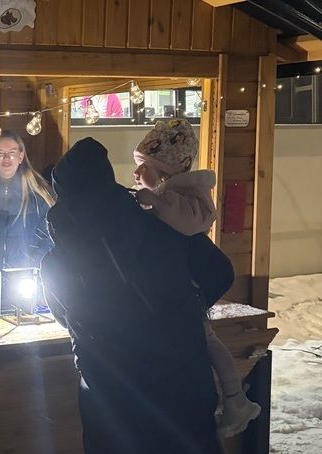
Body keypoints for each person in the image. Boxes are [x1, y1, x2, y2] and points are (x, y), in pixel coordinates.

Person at [41, 137, 229, 453]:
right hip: (183, 386)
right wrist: (184, 308)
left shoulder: (57, 261)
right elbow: (220, 273)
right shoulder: (164, 228)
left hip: (111, 398)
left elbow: (63, 316)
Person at [132, 119, 261, 438]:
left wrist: (153, 202)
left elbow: (186, 223)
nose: (136, 173)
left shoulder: (185, 198)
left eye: (143, 167)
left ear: (164, 171)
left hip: (187, 291)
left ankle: (235, 399)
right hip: (181, 291)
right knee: (203, 342)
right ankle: (229, 400)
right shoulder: (171, 197)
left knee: (207, 341)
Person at [0, 131, 55, 312]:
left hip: (25, 283)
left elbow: (49, 235)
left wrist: (31, 264)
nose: (6, 158)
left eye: (12, 152)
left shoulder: (38, 192)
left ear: (21, 156)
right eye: (0, 153)